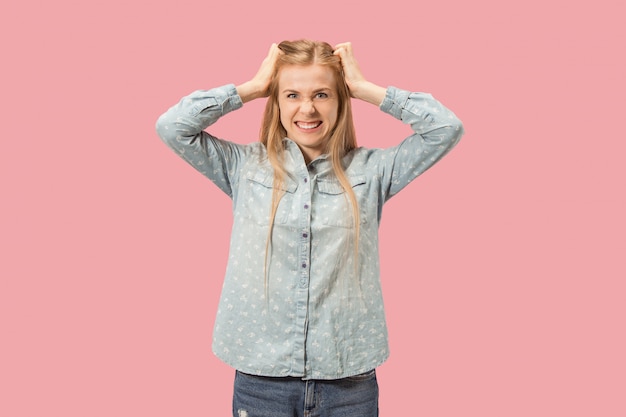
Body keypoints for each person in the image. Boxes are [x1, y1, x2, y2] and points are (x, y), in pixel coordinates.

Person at [156, 40, 464, 417]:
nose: (307, 108)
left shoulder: (372, 171)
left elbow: (446, 128)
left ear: (340, 100)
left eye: (322, 94)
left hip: (348, 381)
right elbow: (173, 127)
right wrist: (252, 87)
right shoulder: (244, 167)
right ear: (277, 101)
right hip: (261, 379)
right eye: (292, 94)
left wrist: (366, 89)